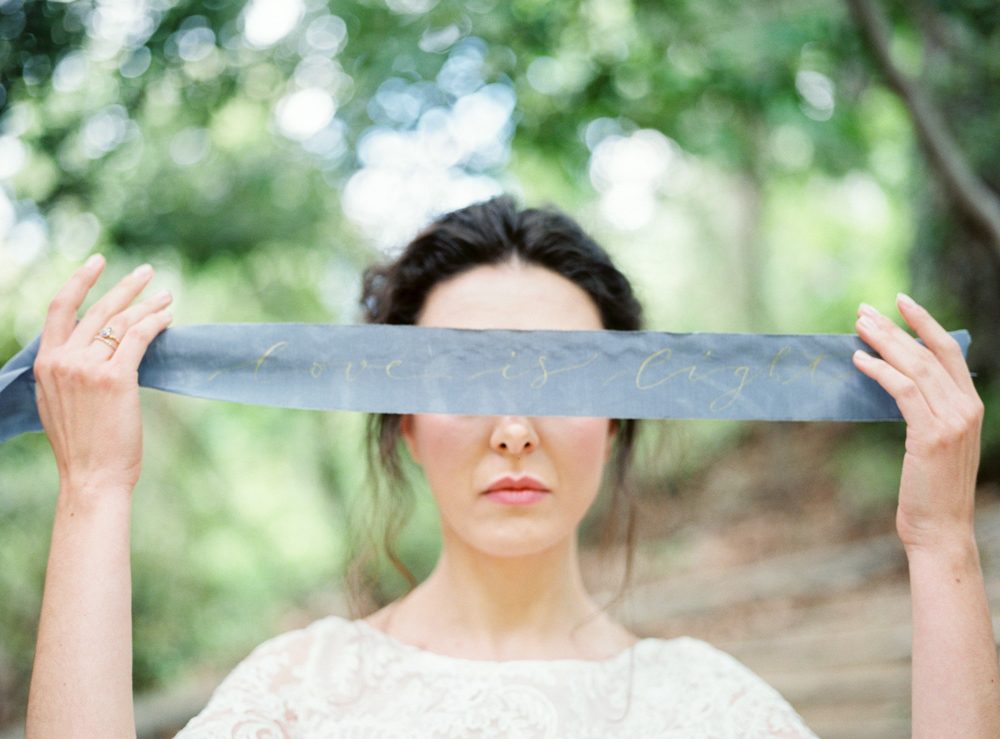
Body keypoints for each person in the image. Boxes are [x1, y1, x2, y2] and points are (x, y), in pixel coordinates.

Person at [24, 196, 999, 738]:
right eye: (464, 374)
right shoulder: (299, 693)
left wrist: (941, 539)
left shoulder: (708, 707)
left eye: (561, 377)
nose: (513, 425)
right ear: (400, 419)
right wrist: (94, 492)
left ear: (620, 417)